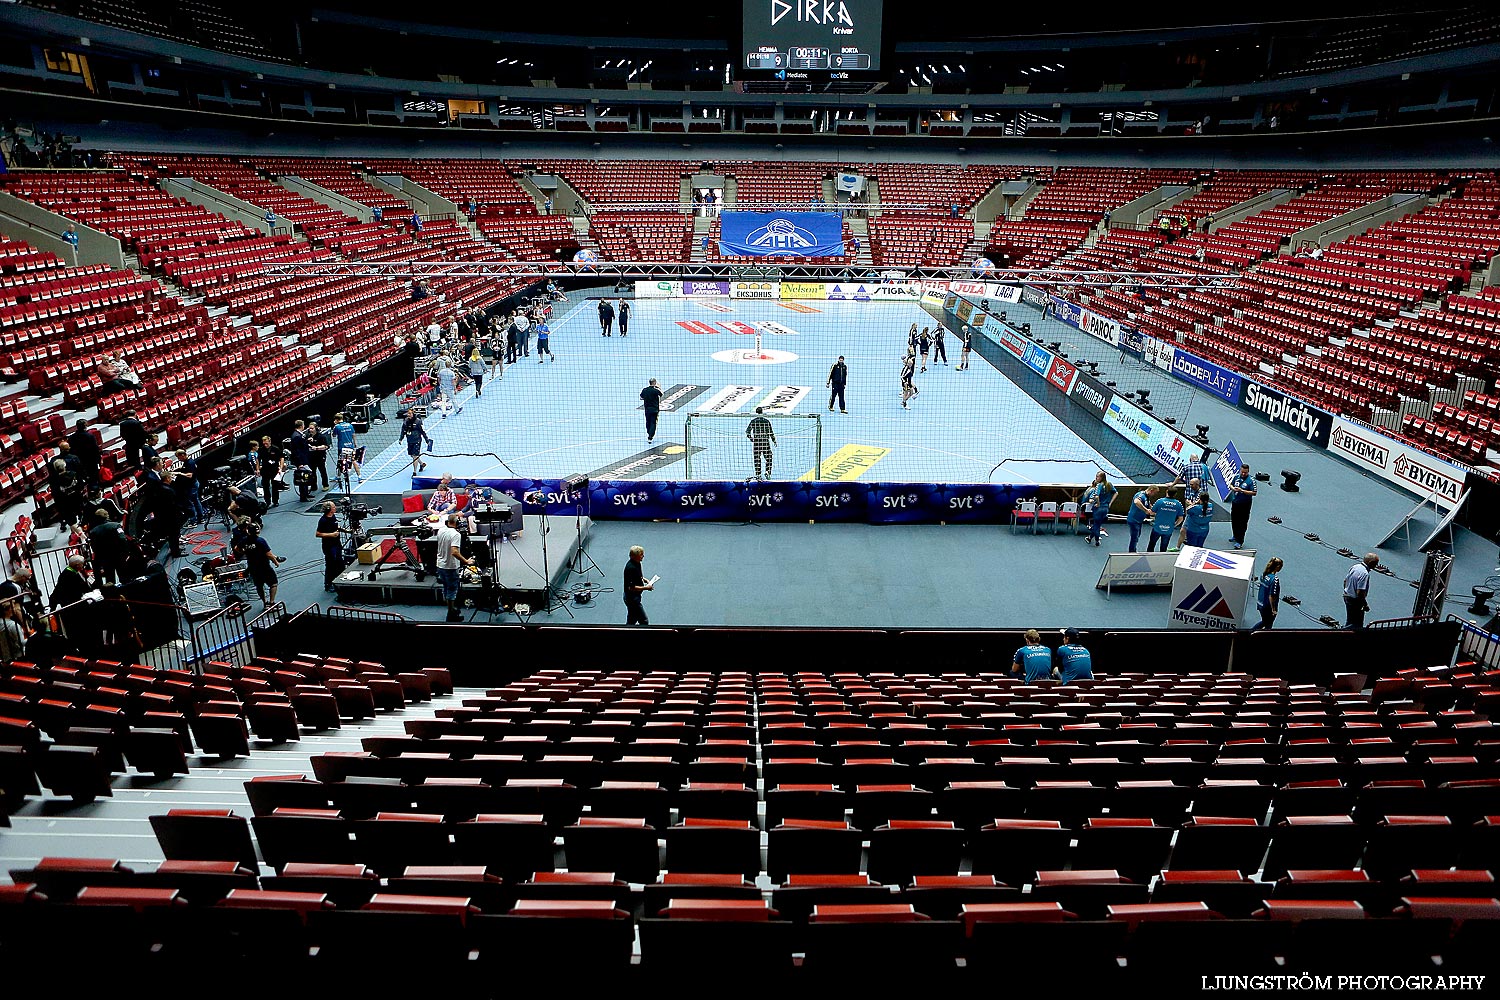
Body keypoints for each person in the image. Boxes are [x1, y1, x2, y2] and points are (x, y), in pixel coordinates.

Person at [436, 513, 474, 623]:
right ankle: (451, 614)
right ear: (457, 523)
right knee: (452, 590)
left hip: (440, 565)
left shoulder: (441, 530)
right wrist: (466, 561)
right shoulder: (456, 535)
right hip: (450, 567)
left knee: (446, 588)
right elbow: (454, 552)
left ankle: (451, 609)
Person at [243, 521, 284, 606]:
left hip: (252, 567)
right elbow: (269, 554)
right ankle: (272, 603)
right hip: (264, 567)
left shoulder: (244, 540)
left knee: (259, 586)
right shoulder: (260, 541)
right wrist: (276, 562)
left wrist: (247, 552)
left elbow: (237, 548)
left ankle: (265, 603)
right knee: (273, 584)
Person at [87, 508, 131, 586]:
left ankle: (112, 595)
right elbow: (123, 539)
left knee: (109, 579)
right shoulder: (116, 525)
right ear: (107, 516)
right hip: (119, 555)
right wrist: (125, 552)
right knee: (124, 577)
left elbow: (94, 546)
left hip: (105, 558)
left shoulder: (93, 531)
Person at [1344, 553, 1378, 630]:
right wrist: (1365, 604)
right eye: (1375, 563)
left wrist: (1347, 591)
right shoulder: (1365, 574)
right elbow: (1360, 592)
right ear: (1371, 563)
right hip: (1355, 600)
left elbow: (1345, 581)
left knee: (1350, 620)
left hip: (1347, 596)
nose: (1376, 566)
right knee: (1356, 624)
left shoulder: (1355, 567)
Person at [1228, 463, 1258, 550]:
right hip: (1235, 502)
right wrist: (1232, 488)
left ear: (1248, 471)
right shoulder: (1236, 477)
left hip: (1245, 504)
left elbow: (1254, 493)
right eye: (1242, 472)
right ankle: (1235, 535)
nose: (1243, 474)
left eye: (1245, 472)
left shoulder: (1251, 480)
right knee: (1234, 520)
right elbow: (1230, 484)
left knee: (1242, 523)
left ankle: (1240, 541)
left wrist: (1243, 491)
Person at [316, 500, 344, 593]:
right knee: (330, 565)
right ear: (329, 509)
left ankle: (339, 581)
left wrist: (344, 530)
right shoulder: (323, 520)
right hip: (329, 546)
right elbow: (318, 534)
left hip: (337, 543)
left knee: (339, 562)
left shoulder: (333, 517)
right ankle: (328, 584)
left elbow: (336, 527)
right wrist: (331, 535)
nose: (335, 508)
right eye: (333, 507)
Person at [1082, 472, 1115, 547]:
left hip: (1098, 509)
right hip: (1106, 508)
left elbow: (1096, 497)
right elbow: (1116, 493)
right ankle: (1090, 538)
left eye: (1097, 477)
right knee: (1098, 524)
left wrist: (1098, 503)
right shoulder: (1109, 484)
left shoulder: (1099, 486)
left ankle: (1096, 540)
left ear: (1102, 478)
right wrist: (1110, 503)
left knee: (1096, 525)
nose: (1096, 478)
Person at [172, 448, 204, 524]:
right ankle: (201, 517)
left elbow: (189, 475)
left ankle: (193, 521)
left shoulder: (189, 463)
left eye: (178, 457)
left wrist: (179, 473)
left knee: (190, 503)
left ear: (183, 455)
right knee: (196, 501)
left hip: (192, 485)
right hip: (194, 483)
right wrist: (179, 469)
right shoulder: (188, 462)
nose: (178, 459)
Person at [623, 544, 653, 626]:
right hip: (632, 599)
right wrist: (646, 588)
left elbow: (638, 576)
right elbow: (631, 587)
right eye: (641, 555)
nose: (643, 556)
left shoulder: (637, 563)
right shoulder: (631, 568)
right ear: (634, 556)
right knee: (644, 621)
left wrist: (644, 579)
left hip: (634, 597)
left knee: (632, 620)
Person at [67, 419, 100, 490]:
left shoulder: (71, 438)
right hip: (91, 462)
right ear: (85, 426)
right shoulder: (90, 436)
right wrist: (99, 460)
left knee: (81, 479)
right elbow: (95, 449)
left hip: (78, 462)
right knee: (93, 480)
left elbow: (70, 451)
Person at [747, 407, 776, 480]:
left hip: (757, 442)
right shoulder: (766, 421)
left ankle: (758, 474)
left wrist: (751, 438)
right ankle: (768, 471)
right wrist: (774, 440)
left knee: (757, 458)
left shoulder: (753, 421)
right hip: (765, 441)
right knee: (769, 457)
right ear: (762, 412)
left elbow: (747, 432)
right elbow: (770, 432)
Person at [332, 413, 361, 483]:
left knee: (340, 462)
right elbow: (353, 434)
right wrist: (355, 443)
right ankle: (359, 476)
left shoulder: (337, 427)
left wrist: (334, 427)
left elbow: (334, 435)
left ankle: (339, 477)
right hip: (350, 446)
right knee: (353, 461)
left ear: (336, 420)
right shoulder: (350, 425)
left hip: (342, 447)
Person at [1255, 557, 1283, 630]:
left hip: (1260, 603)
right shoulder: (1274, 579)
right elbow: (1272, 596)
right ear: (1277, 567)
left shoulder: (1264, 575)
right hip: (1267, 607)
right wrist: (1273, 609)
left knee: (1265, 622)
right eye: (1281, 566)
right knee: (1268, 624)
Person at [402, 411, 433, 476]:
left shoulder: (418, 421)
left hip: (417, 441)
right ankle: (422, 464)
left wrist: (427, 440)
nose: (408, 415)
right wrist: (400, 438)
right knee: (412, 455)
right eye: (408, 413)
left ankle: (414, 472)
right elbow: (403, 430)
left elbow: (422, 431)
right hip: (410, 440)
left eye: (410, 413)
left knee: (415, 456)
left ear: (413, 414)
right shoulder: (405, 421)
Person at [1127, 486, 1157, 553]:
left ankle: (1133, 550)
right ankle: (1132, 552)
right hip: (1134, 520)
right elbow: (1136, 501)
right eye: (1154, 493)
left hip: (1139, 520)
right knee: (1134, 538)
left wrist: (1153, 511)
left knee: (1137, 536)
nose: (1154, 495)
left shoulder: (1147, 497)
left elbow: (1148, 504)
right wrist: (1145, 510)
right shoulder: (1141, 495)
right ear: (1151, 490)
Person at [259, 434, 284, 508]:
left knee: (275, 486)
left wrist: (281, 467)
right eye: (264, 443)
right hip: (265, 470)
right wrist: (257, 469)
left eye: (266, 443)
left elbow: (281, 457)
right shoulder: (261, 449)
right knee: (265, 486)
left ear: (269, 441)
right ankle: (267, 501)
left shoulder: (275, 449)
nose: (265, 445)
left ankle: (275, 501)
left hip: (274, 469)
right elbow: (258, 459)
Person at [641, 378, 663, 443]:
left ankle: (649, 432)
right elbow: (661, 394)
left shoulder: (645, 390)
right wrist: (659, 388)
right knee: (653, 423)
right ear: (655, 383)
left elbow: (641, 397)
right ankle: (650, 436)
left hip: (647, 409)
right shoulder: (655, 390)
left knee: (648, 421)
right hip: (655, 410)